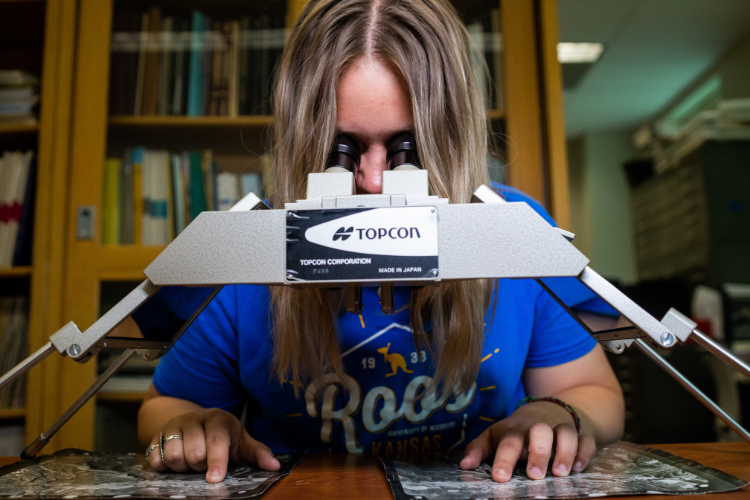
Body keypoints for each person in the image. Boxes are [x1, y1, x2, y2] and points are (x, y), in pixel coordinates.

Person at [138, 0, 624, 484]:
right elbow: (165, 405)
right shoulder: (249, 248)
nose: (373, 181)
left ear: (449, 137)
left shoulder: (511, 231)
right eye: (341, 149)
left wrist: (557, 416)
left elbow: (593, 391)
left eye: (404, 147)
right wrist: (193, 428)